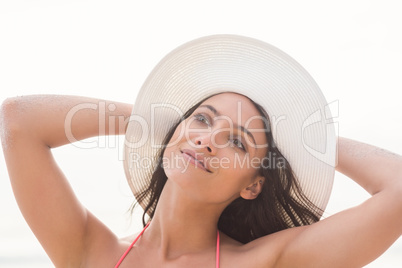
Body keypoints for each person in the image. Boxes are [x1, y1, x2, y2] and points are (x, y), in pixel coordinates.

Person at [1, 35, 401, 267]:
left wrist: (303, 142)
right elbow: (18, 120)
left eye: (237, 141)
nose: (207, 139)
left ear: (253, 185)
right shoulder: (93, 252)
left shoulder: (263, 262)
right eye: (204, 119)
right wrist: (154, 121)